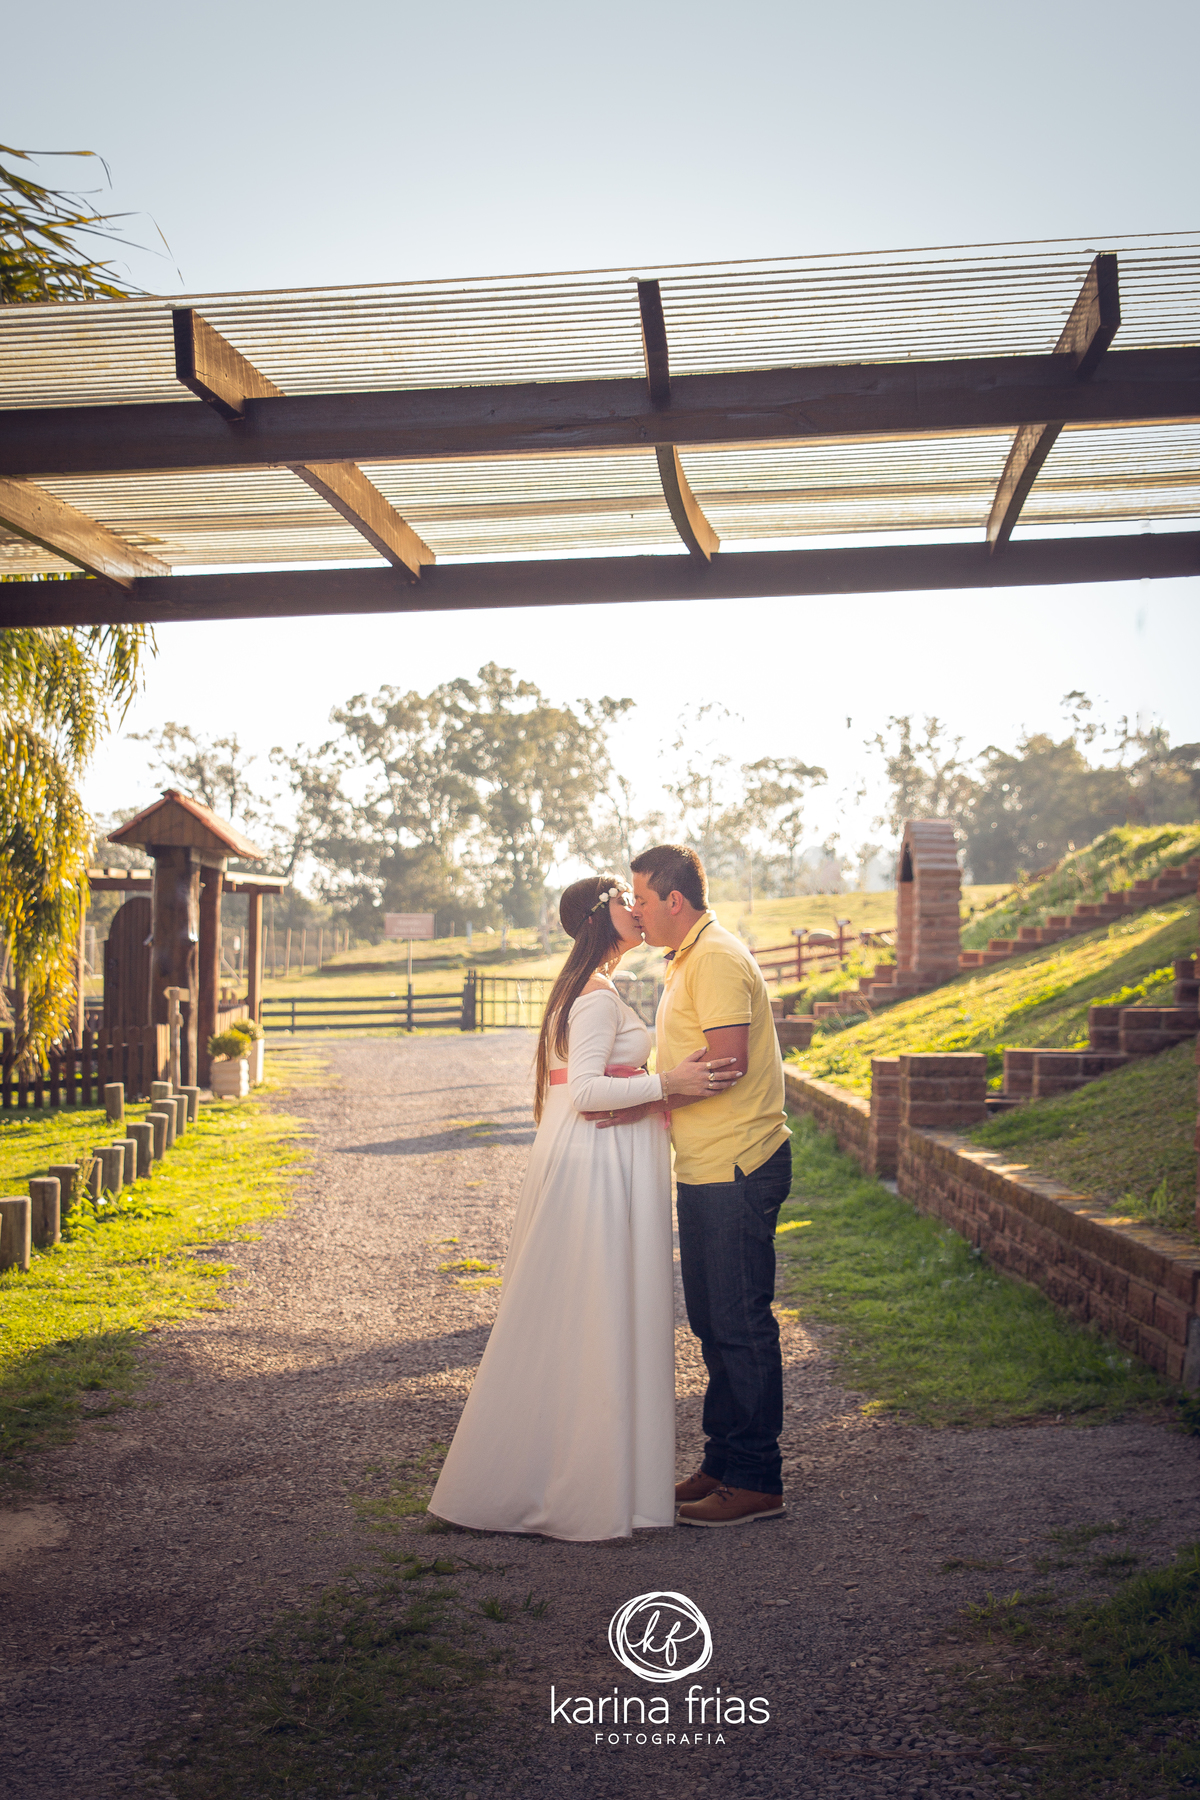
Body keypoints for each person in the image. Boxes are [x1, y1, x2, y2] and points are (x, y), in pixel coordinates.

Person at [428, 873, 740, 1542]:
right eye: (627, 902)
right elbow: (588, 1093)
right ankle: (583, 1487)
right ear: (605, 918)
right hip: (598, 1164)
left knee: (595, 1312)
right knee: (600, 1311)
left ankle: (604, 1478)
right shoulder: (595, 997)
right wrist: (672, 1080)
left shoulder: (594, 988)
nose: (638, 909)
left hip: (609, 1157)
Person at [592, 845, 790, 1528]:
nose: (636, 912)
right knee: (712, 1323)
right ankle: (724, 1462)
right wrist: (660, 1087)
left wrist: (652, 1093)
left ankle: (758, 1479)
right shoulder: (687, 957)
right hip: (706, 1163)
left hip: (736, 1163)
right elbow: (692, 1058)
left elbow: (727, 1061)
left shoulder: (715, 958)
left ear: (674, 900)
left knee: (739, 1324)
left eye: (641, 900)